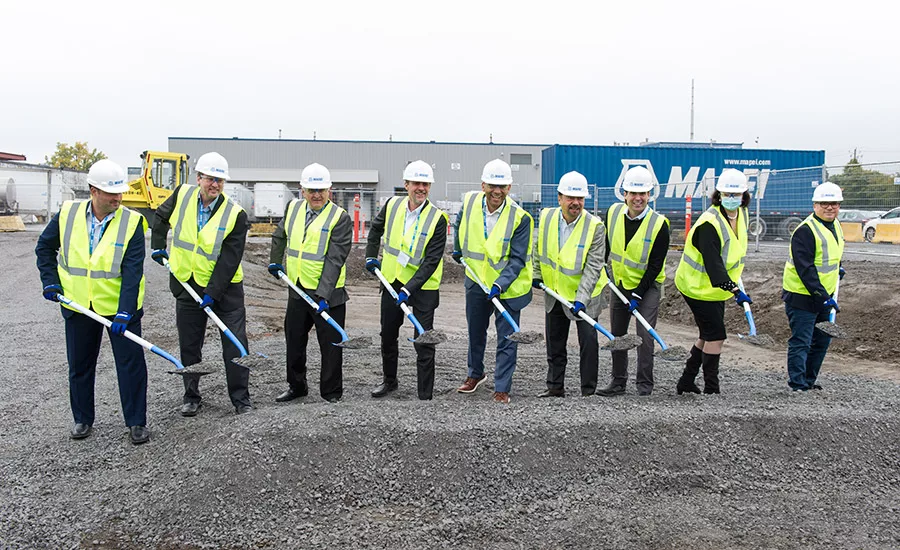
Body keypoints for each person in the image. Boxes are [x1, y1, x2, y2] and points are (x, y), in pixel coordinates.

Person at [35, 159, 150, 444]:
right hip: (77, 305)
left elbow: (133, 271)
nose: (117, 198)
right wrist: (50, 281)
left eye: (119, 192)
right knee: (80, 365)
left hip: (119, 310)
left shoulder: (132, 222)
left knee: (131, 365)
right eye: (111, 192)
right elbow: (44, 248)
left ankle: (136, 422)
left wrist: (125, 312)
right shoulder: (67, 214)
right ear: (92, 190)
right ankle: (82, 419)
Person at [151, 152, 253, 416]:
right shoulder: (182, 195)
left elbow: (230, 260)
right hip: (187, 283)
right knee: (190, 344)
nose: (215, 185)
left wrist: (212, 293)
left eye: (220, 180)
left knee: (235, 343)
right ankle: (191, 395)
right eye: (210, 179)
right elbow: (160, 218)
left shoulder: (236, 215)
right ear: (199, 178)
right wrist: (158, 247)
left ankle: (241, 400)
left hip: (225, 289)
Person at [268, 163, 352, 404]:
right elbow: (279, 235)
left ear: (330, 190)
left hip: (329, 295)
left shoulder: (340, 218)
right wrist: (275, 261)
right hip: (297, 289)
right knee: (294, 340)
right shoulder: (293, 208)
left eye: (321, 190)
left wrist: (323, 295)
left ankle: (331, 393)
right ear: (302, 190)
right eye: (312, 190)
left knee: (331, 346)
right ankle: (296, 386)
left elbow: (335, 259)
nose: (317, 195)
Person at [452, 159, 534, 404]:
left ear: (509, 187)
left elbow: (518, 259)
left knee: (507, 338)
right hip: (476, 281)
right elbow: (458, 224)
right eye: (492, 185)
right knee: (475, 332)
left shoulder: (521, 218)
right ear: (483, 185)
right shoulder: (469, 202)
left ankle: (502, 387)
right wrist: (457, 249)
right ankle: (475, 374)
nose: (497, 191)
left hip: (507, 288)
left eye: (503, 186)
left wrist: (500, 284)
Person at [365, 161, 448, 400]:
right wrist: (371, 255)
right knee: (388, 335)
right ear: (406, 185)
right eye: (416, 183)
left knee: (424, 339)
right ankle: (389, 381)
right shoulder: (392, 205)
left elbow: (431, 262)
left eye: (425, 184)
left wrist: (409, 289)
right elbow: (375, 230)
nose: (420, 188)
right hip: (392, 280)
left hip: (422, 287)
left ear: (429, 186)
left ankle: (425, 393)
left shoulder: (438, 219)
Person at [673, 168, 752, 395]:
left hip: (716, 290)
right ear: (718, 195)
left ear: (744, 196)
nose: (731, 198)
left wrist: (732, 285)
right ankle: (711, 389)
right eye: (726, 194)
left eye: (736, 194)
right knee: (716, 336)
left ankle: (686, 382)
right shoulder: (709, 224)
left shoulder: (741, 215)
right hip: (696, 287)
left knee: (707, 335)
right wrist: (735, 291)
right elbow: (714, 266)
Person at [532, 171, 607, 398]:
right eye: (570, 198)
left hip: (586, 296)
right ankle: (555, 387)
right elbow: (538, 248)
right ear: (559, 198)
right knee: (555, 342)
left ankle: (588, 391)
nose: (576, 203)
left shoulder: (595, 227)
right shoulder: (546, 217)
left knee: (588, 344)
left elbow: (594, 266)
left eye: (580, 199)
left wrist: (581, 299)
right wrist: (537, 273)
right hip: (555, 292)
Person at [598, 166, 670, 397]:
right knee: (618, 336)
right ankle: (618, 382)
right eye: (633, 193)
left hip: (647, 288)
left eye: (643, 194)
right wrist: (602, 269)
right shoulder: (612, 213)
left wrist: (638, 293)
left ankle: (644, 386)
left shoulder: (660, 224)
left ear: (650, 195)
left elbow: (655, 265)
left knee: (644, 336)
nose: (638, 198)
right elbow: (606, 246)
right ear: (625, 194)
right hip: (619, 284)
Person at [782, 181, 845, 391]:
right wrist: (823, 296)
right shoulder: (805, 231)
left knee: (822, 340)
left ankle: (809, 381)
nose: (830, 207)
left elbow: (831, 255)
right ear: (815, 205)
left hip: (825, 296)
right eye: (825, 203)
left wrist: (838, 269)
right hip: (802, 296)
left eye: (834, 203)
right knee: (802, 340)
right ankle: (798, 384)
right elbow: (805, 269)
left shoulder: (835, 225)